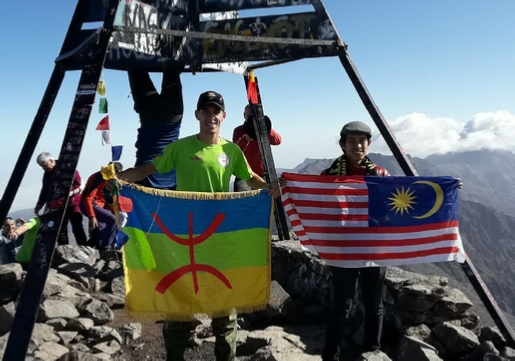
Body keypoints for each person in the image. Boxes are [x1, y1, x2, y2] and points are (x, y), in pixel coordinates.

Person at [114, 90, 280, 361]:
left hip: (220, 237)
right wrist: (119, 179)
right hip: (183, 233)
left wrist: (268, 188)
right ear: (197, 115)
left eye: (216, 111)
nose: (210, 116)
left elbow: (249, 177)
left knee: (225, 312)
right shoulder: (180, 147)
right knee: (179, 309)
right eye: (205, 111)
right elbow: (147, 171)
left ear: (223, 116)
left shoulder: (231, 150)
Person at [320, 121, 390, 360]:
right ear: (342, 145)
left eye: (362, 140)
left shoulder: (381, 175)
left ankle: (372, 352)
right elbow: (314, 202)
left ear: (369, 145)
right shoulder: (328, 176)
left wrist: (442, 190)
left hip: (373, 249)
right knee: (341, 306)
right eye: (352, 141)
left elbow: (402, 200)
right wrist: (288, 185)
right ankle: (330, 355)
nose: (357, 145)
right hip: (343, 249)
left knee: (374, 304)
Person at [128, 68, 184, 190]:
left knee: (172, 68)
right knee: (136, 68)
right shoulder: (141, 180)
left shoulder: (176, 185)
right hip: (151, 117)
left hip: (172, 119)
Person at [34, 152, 88, 246]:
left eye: (45, 165)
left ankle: (83, 247)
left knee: (77, 227)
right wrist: (39, 204)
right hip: (57, 205)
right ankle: (63, 250)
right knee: (60, 229)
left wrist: (67, 193)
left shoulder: (67, 168)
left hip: (72, 203)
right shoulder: (47, 173)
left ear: (51, 160)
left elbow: (78, 184)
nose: (44, 168)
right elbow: (45, 189)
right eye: (42, 166)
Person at [232, 105, 282, 192]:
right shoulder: (239, 130)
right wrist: (246, 138)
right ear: (244, 115)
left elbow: (277, 141)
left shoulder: (263, 130)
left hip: (263, 174)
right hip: (244, 175)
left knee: (269, 201)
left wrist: (266, 128)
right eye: (249, 116)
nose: (251, 119)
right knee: (242, 198)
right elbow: (236, 151)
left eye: (254, 116)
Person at [81, 162, 123, 251]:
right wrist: (92, 216)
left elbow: (109, 198)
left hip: (100, 206)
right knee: (112, 220)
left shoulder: (109, 178)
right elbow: (88, 199)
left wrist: (114, 211)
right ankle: (107, 248)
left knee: (99, 232)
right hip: (89, 205)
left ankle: (96, 248)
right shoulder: (99, 177)